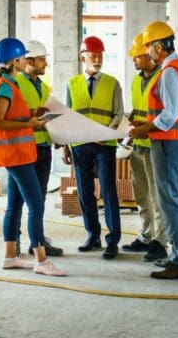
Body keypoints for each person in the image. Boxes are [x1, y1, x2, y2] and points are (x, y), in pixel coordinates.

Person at [0, 37, 65, 276]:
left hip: (17, 154)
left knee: (14, 206)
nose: (25, 60)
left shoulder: (9, 84)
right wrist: (30, 126)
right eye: (23, 57)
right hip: (16, 154)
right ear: (16, 61)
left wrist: (32, 117)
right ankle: (41, 261)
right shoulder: (6, 86)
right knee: (36, 205)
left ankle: (10, 257)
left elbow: (13, 115)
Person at [130, 21, 178, 280]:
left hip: (169, 143)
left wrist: (144, 130)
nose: (147, 52)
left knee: (169, 200)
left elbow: (170, 115)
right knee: (170, 199)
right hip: (174, 141)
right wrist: (146, 124)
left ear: (159, 47)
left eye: (148, 47)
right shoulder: (177, 66)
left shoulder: (169, 71)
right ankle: (177, 257)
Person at [62, 36, 123, 260]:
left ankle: (113, 240)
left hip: (104, 145)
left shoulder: (113, 83)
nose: (97, 59)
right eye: (93, 55)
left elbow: (118, 113)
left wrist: (108, 131)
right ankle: (93, 235)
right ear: (83, 57)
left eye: (100, 56)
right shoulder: (72, 84)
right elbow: (67, 117)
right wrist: (65, 147)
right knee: (86, 193)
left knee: (108, 191)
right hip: (79, 145)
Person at [120, 34, 169, 263]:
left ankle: (161, 240)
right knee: (142, 195)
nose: (134, 60)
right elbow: (138, 111)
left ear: (149, 54)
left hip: (156, 144)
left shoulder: (163, 77)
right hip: (138, 144)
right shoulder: (136, 80)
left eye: (137, 56)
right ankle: (147, 235)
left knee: (159, 196)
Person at [14, 40, 64, 257]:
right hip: (24, 148)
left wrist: (58, 134)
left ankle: (38, 240)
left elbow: (45, 117)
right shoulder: (16, 84)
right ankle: (13, 241)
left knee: (39, 198)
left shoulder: (43, 87)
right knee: (18, 198)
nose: (45, 64)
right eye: (43, 60)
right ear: (30, 61)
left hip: (44, 147)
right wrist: (33, 113)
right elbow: (10, 117)